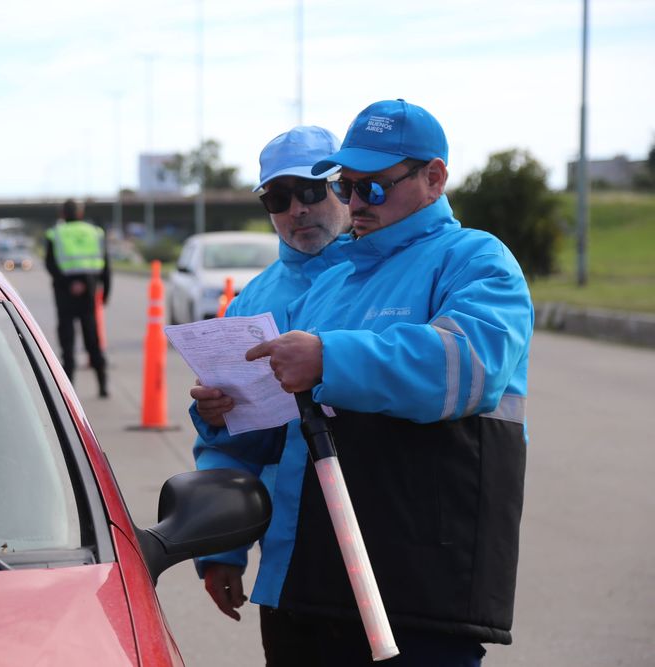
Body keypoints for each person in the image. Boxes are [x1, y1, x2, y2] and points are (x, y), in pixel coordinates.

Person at [198, 99, 534, 666]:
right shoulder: (332, 286)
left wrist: (329, 359)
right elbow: (274, 427)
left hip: (420, 589)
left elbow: (470, 367)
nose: (353, 203)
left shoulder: (475, 259)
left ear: (434, 178)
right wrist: (226, 410)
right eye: (347, 186)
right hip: (312, 584)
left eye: (370, 188)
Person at [188, 125, 350, 624]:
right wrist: (221, 549)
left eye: (309, 190)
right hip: (289, 552)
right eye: (279, 198)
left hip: (385, 543)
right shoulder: (250, 302)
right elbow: (229, 444)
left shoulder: (383, 281)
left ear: (344, 188)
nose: (297, 209)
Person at [44, 199, 111, 397]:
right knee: (93, 339)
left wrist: (69, 284)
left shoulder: (55, 234)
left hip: (64, 294)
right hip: (89, 292)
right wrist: (105, 292)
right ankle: (103, 387)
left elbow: (50, 264)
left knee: (67, 342)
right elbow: (106, 266)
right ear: (80, 214)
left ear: (62, 214)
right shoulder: (95, 232)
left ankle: (68, 390)